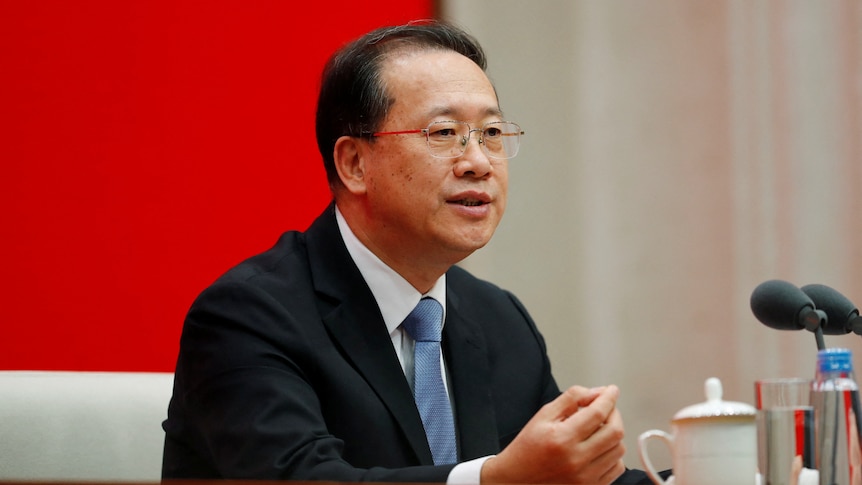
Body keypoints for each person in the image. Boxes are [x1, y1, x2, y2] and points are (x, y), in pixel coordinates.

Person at [162, 20, 657, 484]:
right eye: (444, 134)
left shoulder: (498, 319)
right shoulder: (248, 317)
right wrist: (494, 480)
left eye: (491, 133)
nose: (479, 162)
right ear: (354, 163)